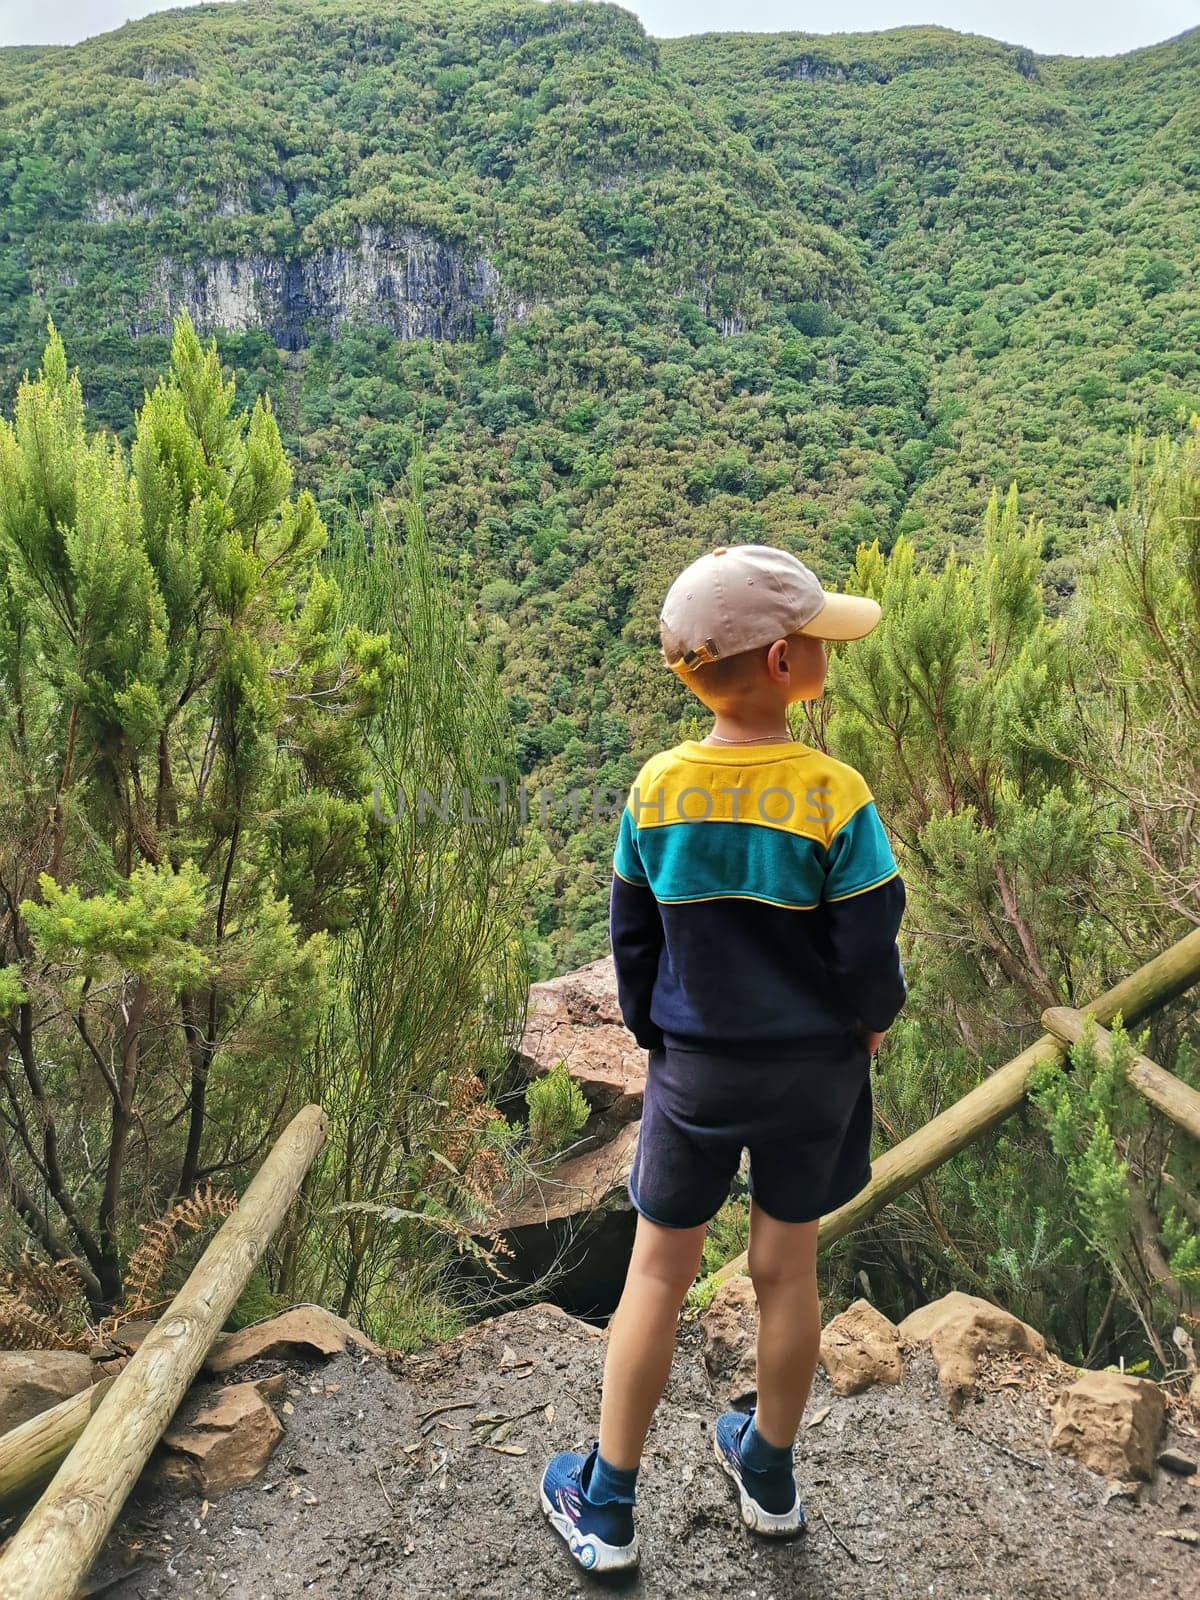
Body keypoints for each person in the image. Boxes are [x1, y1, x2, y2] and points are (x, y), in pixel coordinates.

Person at [539, 544, 907, 1572]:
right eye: (820, 638)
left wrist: (662, 1039)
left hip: (696, 1068)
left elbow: (634, 940)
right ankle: (771, 1477)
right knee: (788, 1273)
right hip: (812, 1075)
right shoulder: (835, 796)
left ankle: (607, 1506)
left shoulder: (657, 791)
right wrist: (868, 1022)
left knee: (657, 1273)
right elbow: (868, 949)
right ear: (786, 664)